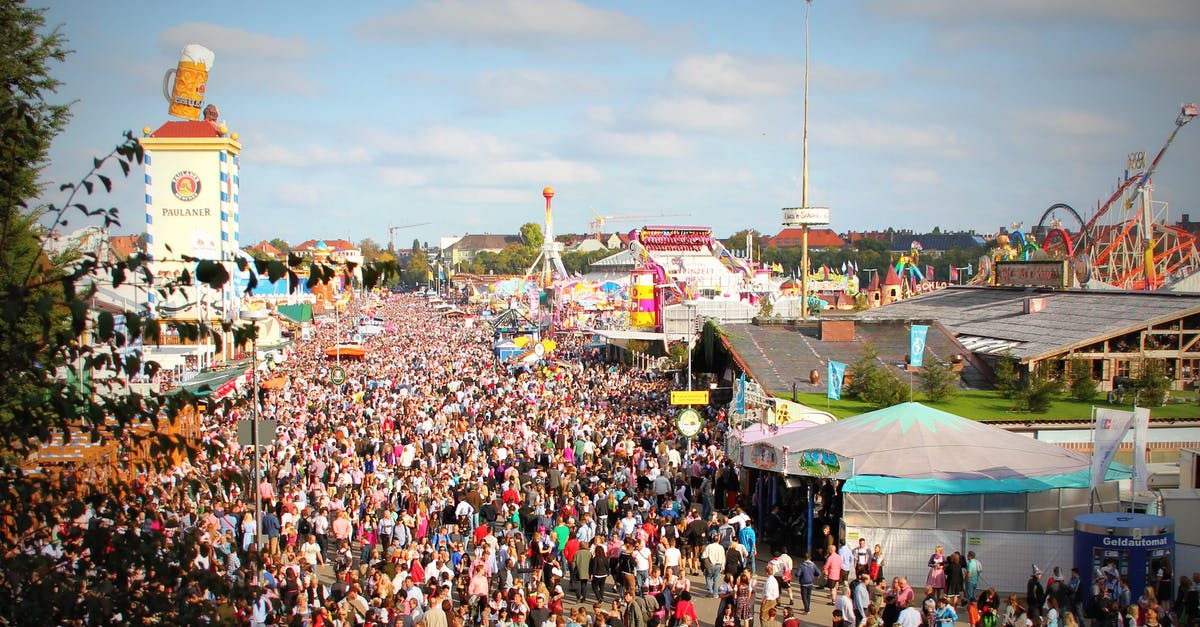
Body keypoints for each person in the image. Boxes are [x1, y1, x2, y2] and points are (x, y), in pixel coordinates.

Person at [796, 551, 820, 615]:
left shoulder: (802, 565)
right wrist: (814, 574)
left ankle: (807, 609)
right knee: (808, 596)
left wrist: (798, 575)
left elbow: (797, 574)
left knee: (804, 596)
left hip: (804, 583)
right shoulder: (813, 565)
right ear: (810, 557)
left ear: (804, 558)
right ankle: (807, 607)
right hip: (811, 582)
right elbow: (818, 572)